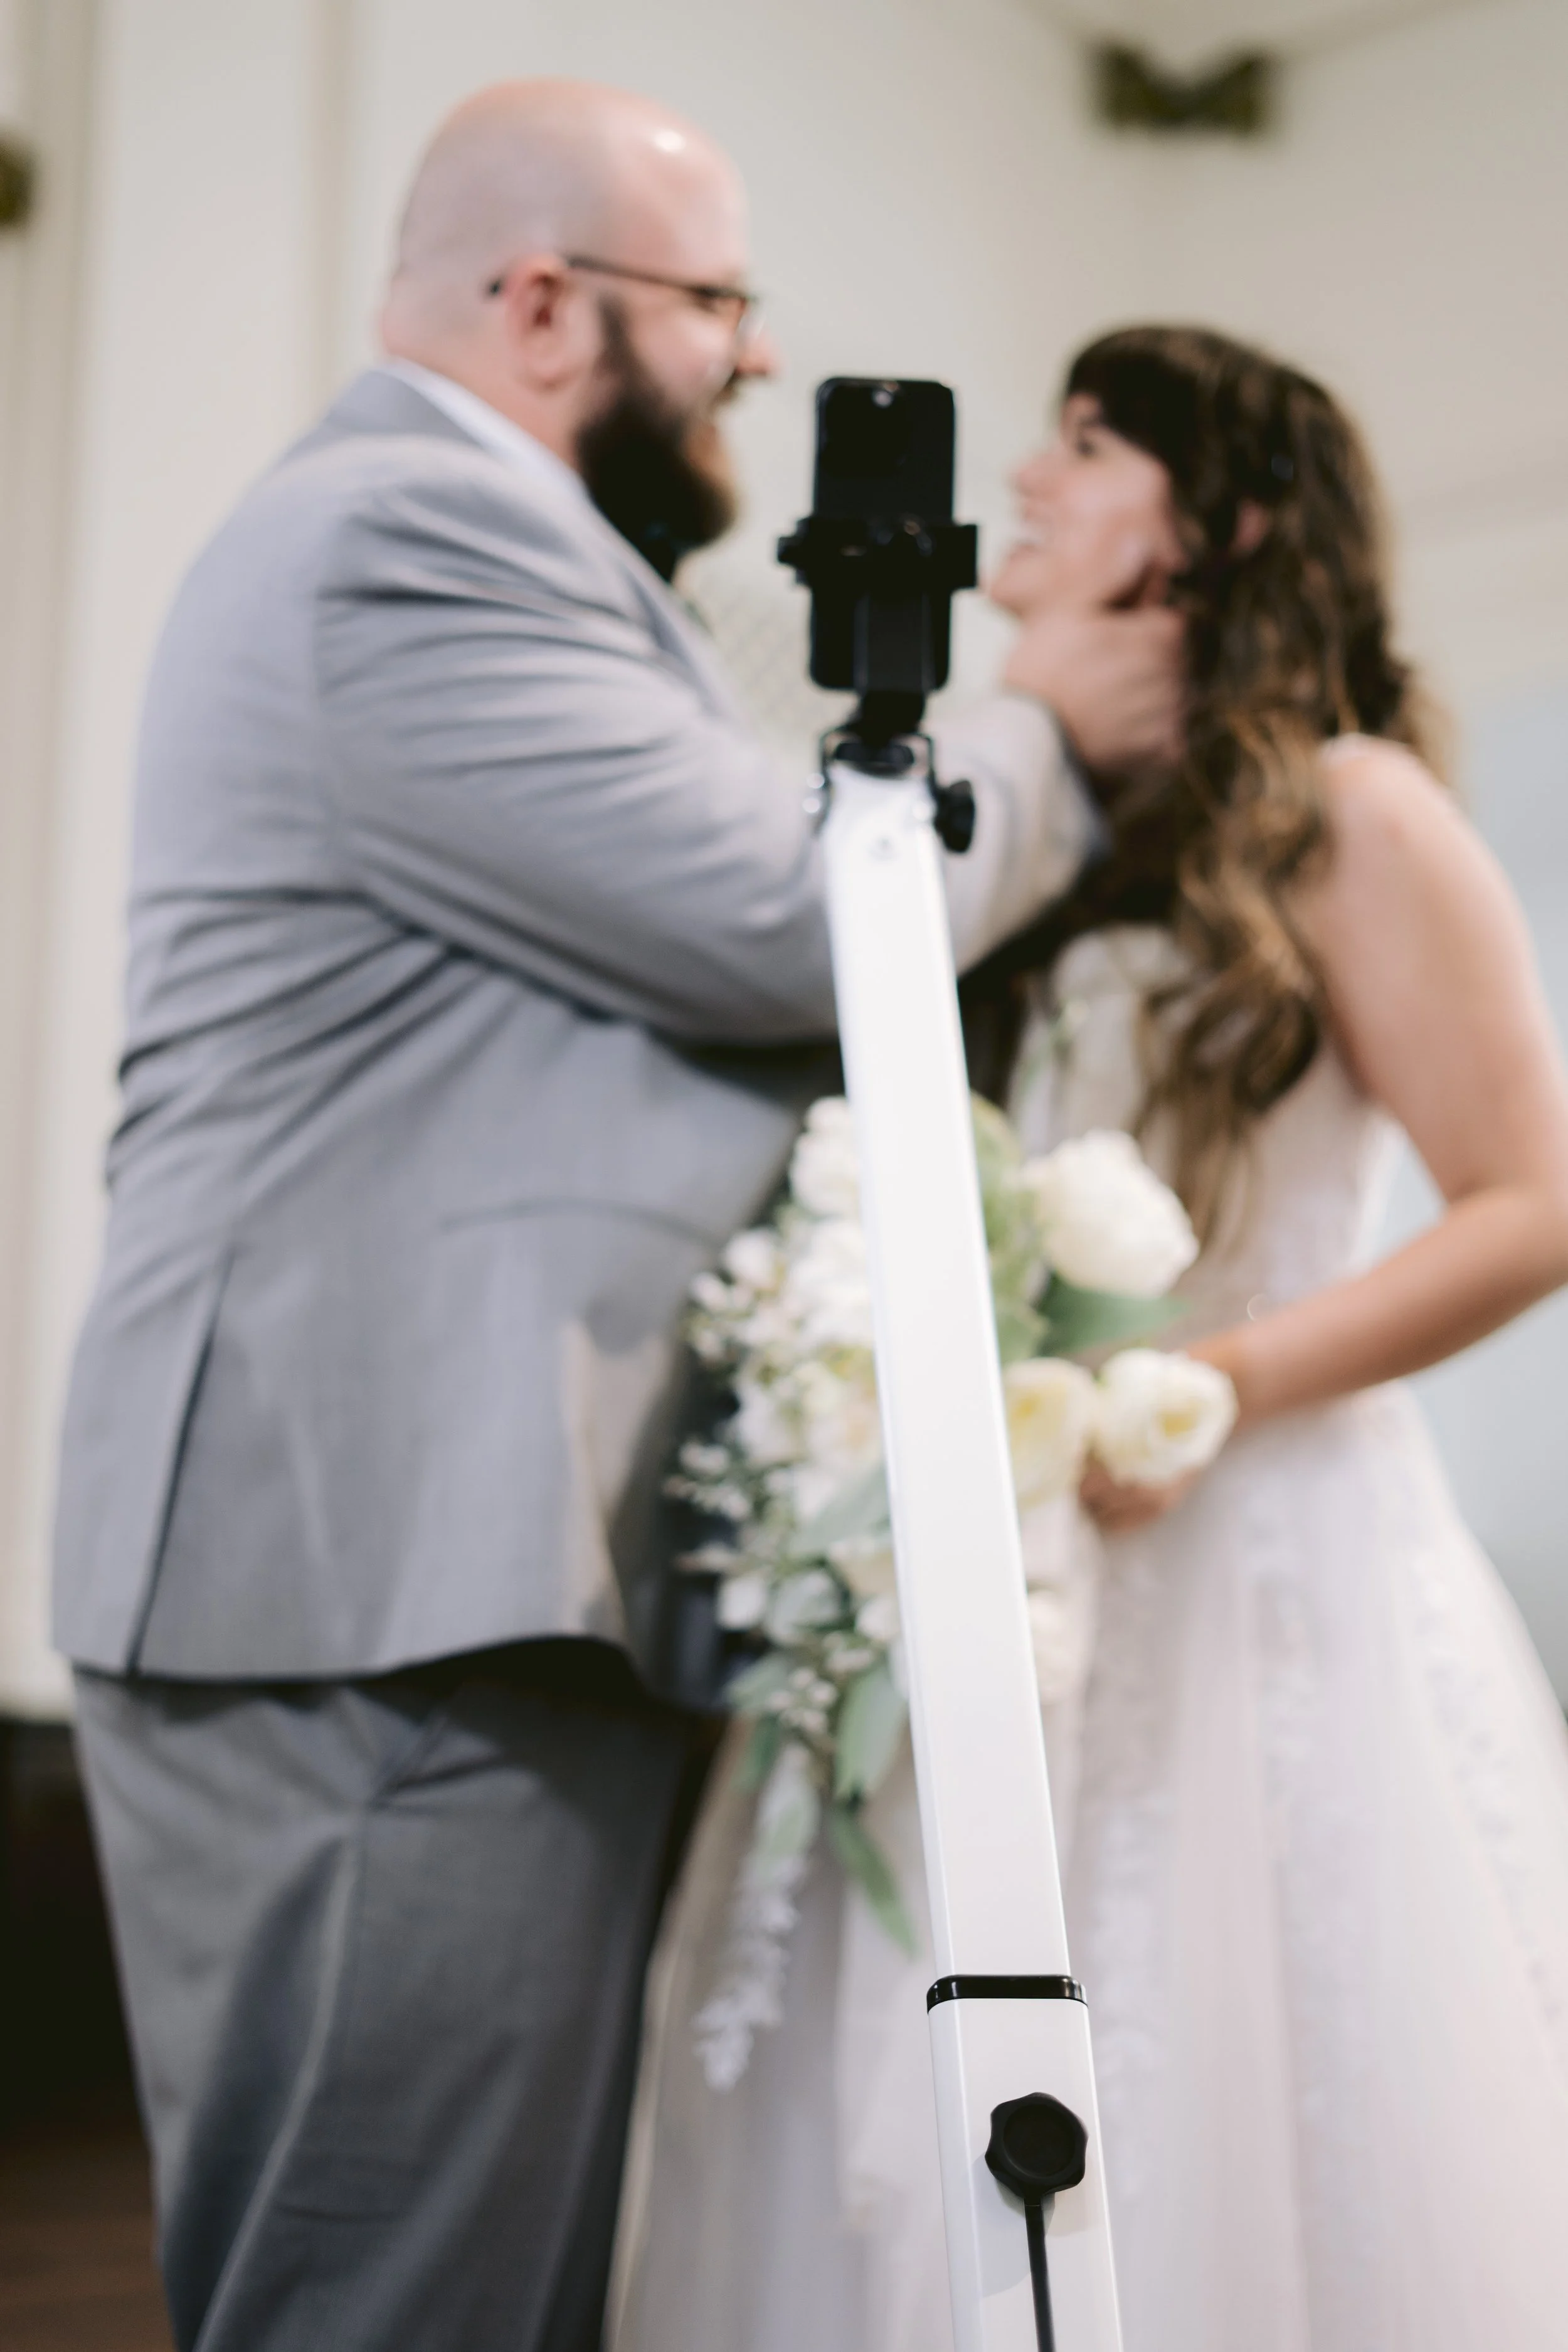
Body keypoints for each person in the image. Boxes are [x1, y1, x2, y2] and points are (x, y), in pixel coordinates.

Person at [51, 80, 1184, 2352]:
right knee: (391, 2299)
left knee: (478, 2292)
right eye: (721, 302)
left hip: (451, 1583)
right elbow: (780, 909)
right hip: (380, 1585)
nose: (756, 355)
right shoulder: (404, 533)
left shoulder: (502, 551)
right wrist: (1045, 726)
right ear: (549, 304)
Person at [610, 326, 1568, 2352]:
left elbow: (1528, 1204)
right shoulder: (1020, 819)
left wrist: (1208, 1384)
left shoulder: (1348, 810)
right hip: (993, 1554)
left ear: (1227, 523)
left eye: (1084, 444)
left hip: (1256, 1548)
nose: (1025, 484)